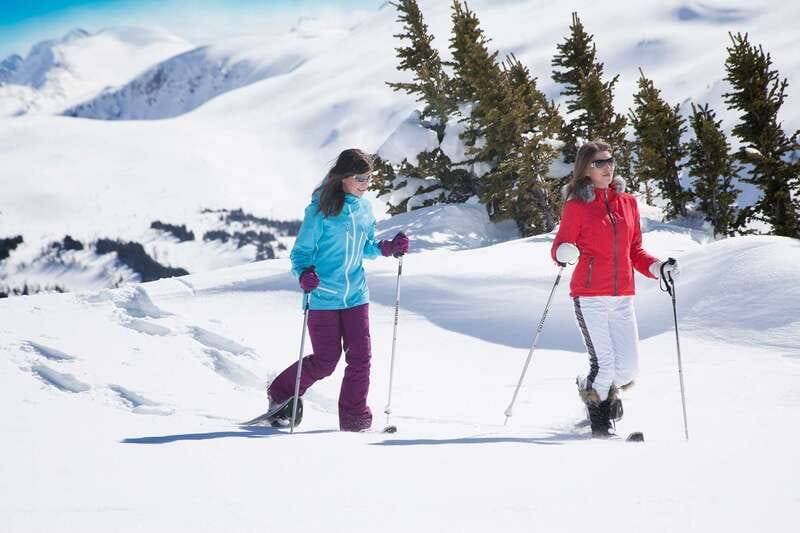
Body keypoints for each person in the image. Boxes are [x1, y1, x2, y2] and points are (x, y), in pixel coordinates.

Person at [266, 148, 409, 432]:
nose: (365, 183)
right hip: (323, 298)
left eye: (369, 178)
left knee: (361, 359)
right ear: (343, 177)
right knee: (325, 362)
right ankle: (281, 392)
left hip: (356, 295)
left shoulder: (365, 209)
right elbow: (301, 253)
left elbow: (366, 246)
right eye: (360, 177)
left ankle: (355, 419)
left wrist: (387, 248)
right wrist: (305, 273)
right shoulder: (321, 210)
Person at [551, 140, 679, 438]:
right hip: (590, 295)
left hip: (622, 298)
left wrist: (658, 267)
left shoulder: (628, 203)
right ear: (586, 169)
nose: (607, 167)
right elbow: (560, 247)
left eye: (610, 161)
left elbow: (635, 251)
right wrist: (564, 252)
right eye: (599, 163)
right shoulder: (577, 205)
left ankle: (589, 384)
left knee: (628, 370)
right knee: (605, 365)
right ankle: (601, 426)